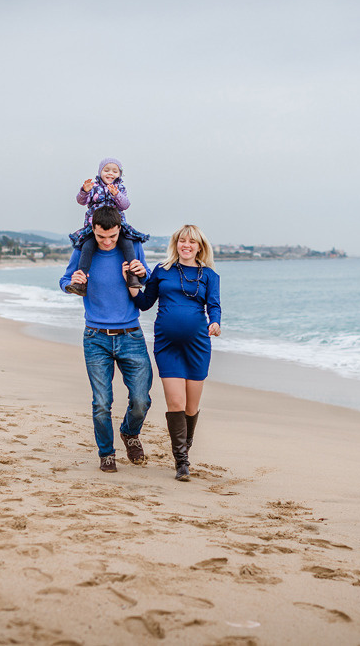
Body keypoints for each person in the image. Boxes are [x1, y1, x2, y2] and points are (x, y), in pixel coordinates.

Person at [60, 206, 153, 473]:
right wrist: (72, 283)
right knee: (101, 403)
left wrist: (142, 272)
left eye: (112, 236)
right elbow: (64, 280)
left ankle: (129, 432)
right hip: (95, 337)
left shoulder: (133, 247)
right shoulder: (83, 251)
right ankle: (106, 454)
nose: (108, 242)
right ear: (93, 230)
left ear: (119, 229)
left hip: (131, 335)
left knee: (141, 400)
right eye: (101, 237)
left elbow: (147, 279)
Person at [128, 225, 221, 481]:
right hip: (167, 345)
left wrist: (215, 322)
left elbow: (214, 305)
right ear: (176, 243)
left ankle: (184, 449)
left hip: (197, 346)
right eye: (182, 240)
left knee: (191, 407)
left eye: (192, 242)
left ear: (199, 247)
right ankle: (181, 463)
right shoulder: (162, 270)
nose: (186, 245)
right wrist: (132, 286)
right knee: (176, 403)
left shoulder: (210, 275)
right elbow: (145, 303)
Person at [66, 157, 149, 296]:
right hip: (94, 223)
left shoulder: (120, 188)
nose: (110, 173)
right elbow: (81, 201)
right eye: (106, 170)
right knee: (87, 246)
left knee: (127, 244)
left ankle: (133, 276)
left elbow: (125, 205)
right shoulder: (94, 186)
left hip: (116, 223)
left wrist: (116, 195)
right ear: (100, 172)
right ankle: (81, 282)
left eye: (115, 171)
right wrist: (84, 191)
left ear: (120, 174)